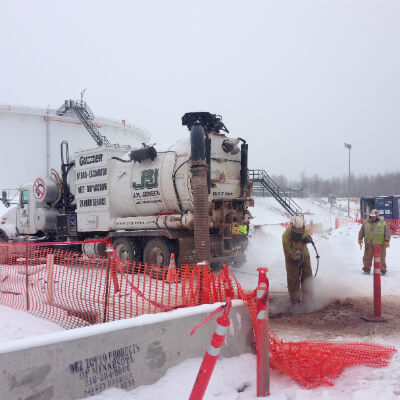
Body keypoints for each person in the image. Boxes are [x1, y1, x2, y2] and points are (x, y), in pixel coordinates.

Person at [282, 216, 314, 305]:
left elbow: (308, 235)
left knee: (307, 277)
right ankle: (295, 301)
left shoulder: (304, 229)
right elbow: (287, 250)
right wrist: (296, 258)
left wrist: (308, 238)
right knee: (293, 280)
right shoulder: (286, 235)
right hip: (291, 258)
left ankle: (308, 300)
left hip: (304, 255)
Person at [358, 209, 391, 275]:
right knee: (367, 258)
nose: (373, 217)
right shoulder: (366, 223)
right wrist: (360, 238)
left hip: (380, 245)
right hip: (369, 244)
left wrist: (387, 240)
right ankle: (366, 270)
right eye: (371, 216)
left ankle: (382, 270)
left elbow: (387, 232)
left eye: (374, 216)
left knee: (381, 258)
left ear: (377, 216)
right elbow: (362, 231)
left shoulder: (383, 223)